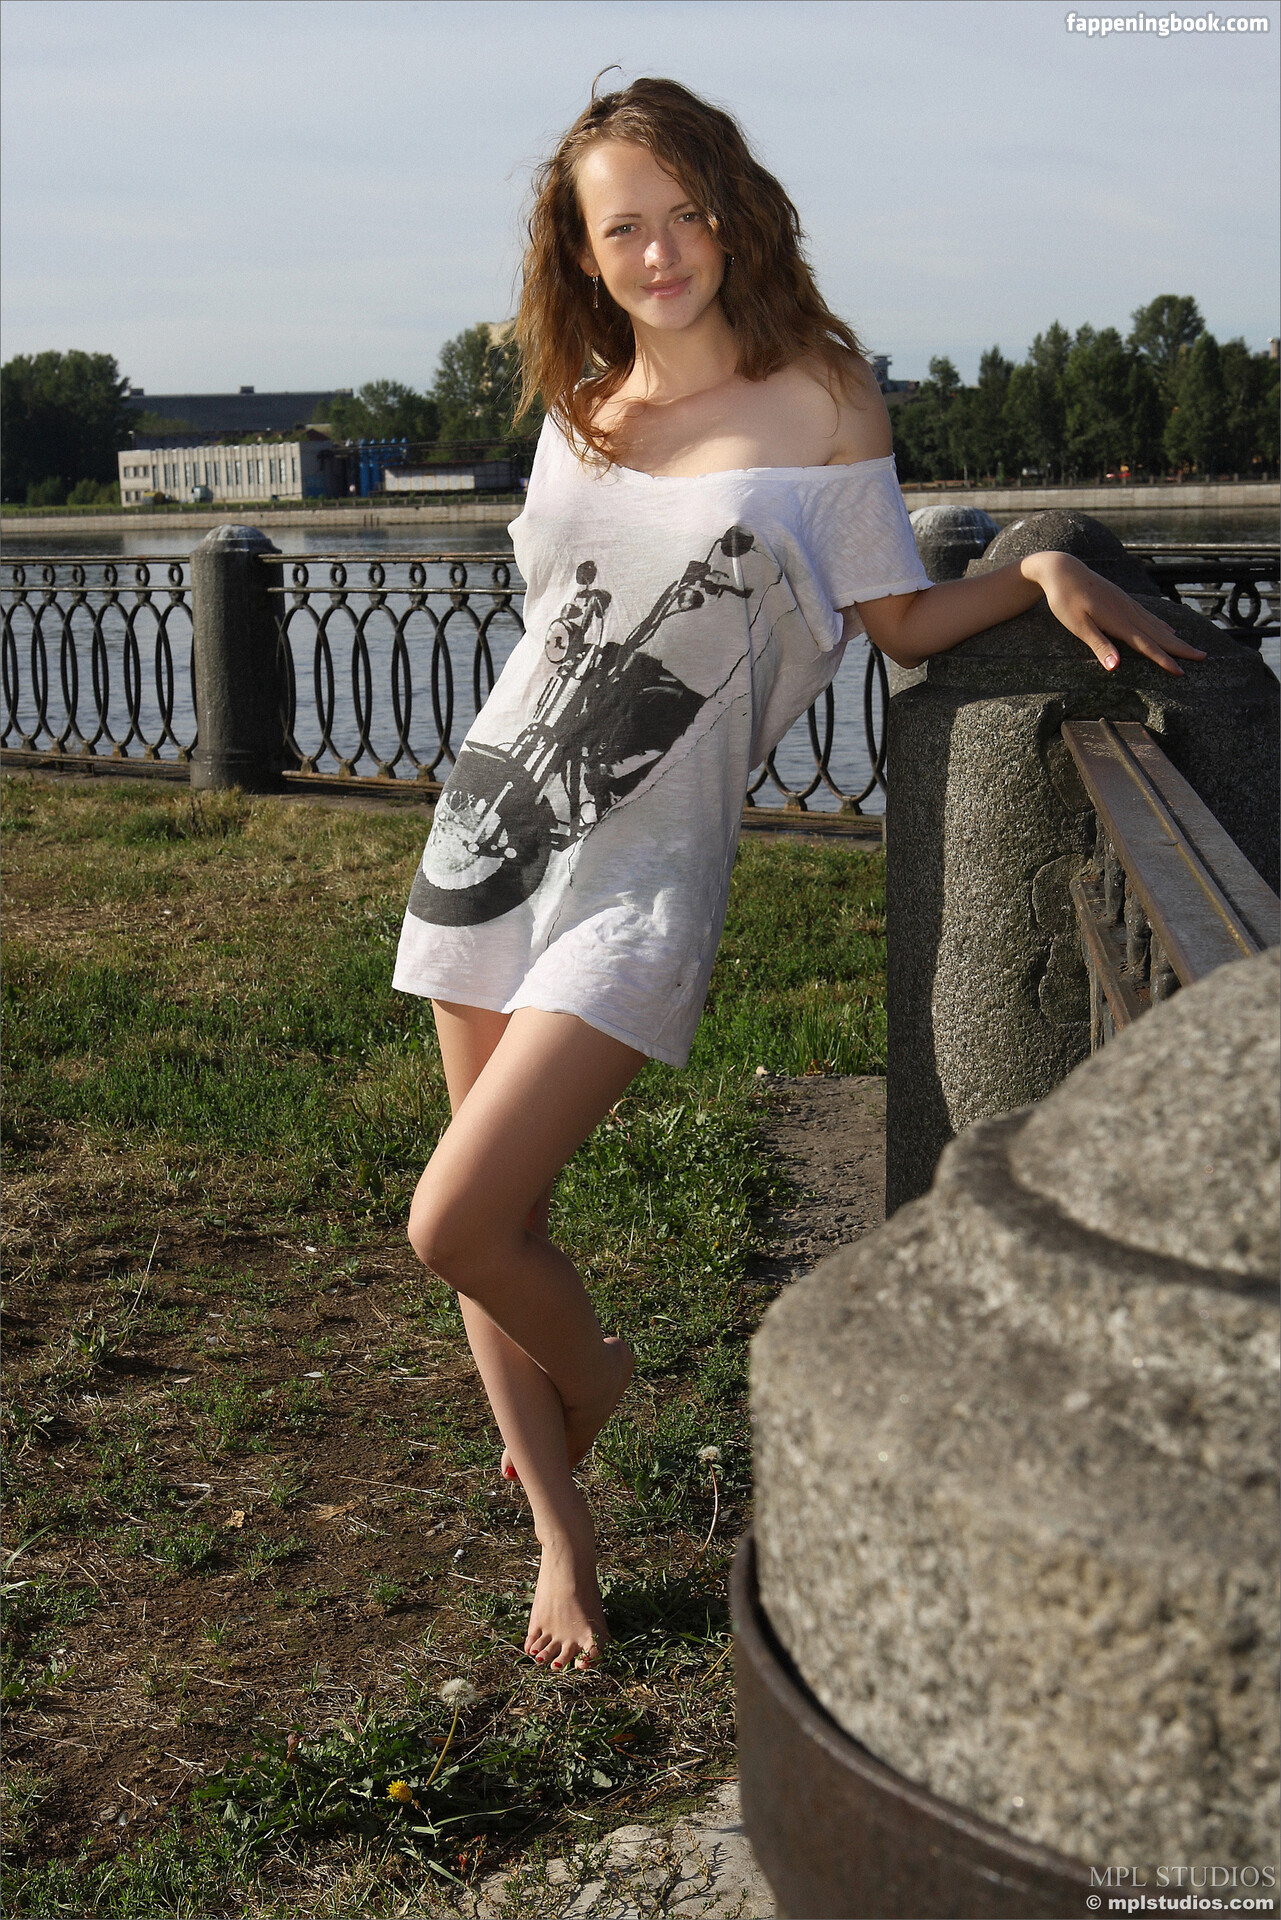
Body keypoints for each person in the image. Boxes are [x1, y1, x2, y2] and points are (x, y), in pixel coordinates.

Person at [393, 77, 1201, 1675]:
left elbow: (893, 620)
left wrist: (1032, 568)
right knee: (497, 1212)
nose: (660, 251)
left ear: (733, 213)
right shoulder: (579, 408)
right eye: (623, 227)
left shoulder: (822, 396)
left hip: (645, 875)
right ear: (581, 251)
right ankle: (562, 1537)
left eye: (684, 213)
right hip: (489, 832)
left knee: (455, 1221)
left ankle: (598, 1378)